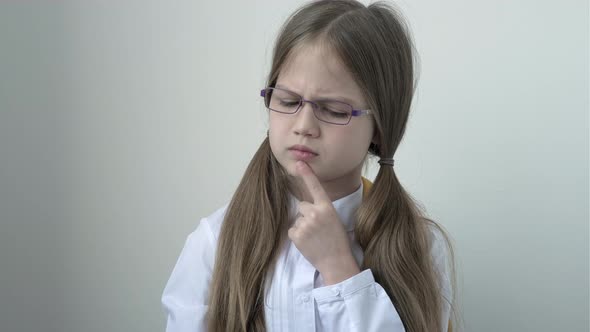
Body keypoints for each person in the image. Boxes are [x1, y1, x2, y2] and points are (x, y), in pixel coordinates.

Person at [161, 0, 457, 331]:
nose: (304, 125)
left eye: (332, 110)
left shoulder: (420, 247)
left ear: (380, 127)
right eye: (288, 101)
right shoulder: (214, 241)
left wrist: (339, 268)